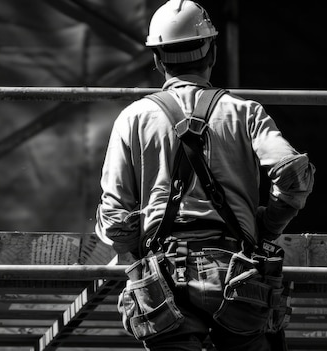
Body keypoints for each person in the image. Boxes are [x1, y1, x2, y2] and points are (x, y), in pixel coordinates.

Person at [94, 1, 315, 350]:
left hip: (161, 277)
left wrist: (135, 255)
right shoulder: (244, 112)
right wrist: (267, 224)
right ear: (211, 51)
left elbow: (114, 217)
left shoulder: (133, 118)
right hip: (236, 274)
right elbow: (293, 176)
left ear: (156, 59)